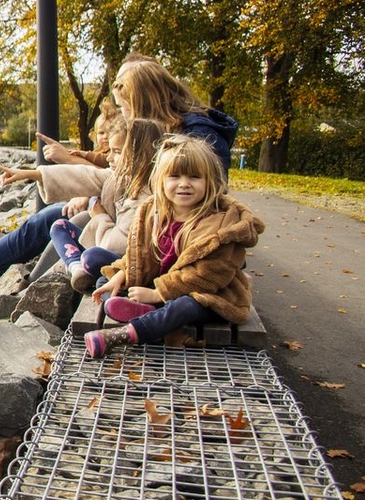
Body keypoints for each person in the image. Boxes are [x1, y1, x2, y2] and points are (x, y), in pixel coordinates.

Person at [84, 134, 264, 359]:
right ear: (160, 180)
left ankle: (126, 333)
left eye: (194, 177)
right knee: (105, 283)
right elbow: (139, 255)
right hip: (163, 285)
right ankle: (150, 313)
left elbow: (207, 276)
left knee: (186, 306)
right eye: (175, 176)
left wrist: (157, 293)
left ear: (210, 180)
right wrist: (122, 274)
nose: (184, 183)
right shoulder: (154, 212)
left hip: (208, 294)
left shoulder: (221, 223)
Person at [49, 118, 167, 293]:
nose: (108, 157)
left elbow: (115, 246)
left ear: (140, 154)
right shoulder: (123, 179)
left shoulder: (146, 197)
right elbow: (85, 176)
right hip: (106, 243)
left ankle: (81, 267)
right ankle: (77, 268)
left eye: (116, 151)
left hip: (126, 260)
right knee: (59, 226)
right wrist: (28, 174)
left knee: (92, 258)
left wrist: (100, 216)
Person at [110, 55, 237, 174]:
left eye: (121, 106)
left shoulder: (199, 133)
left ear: (141, 104)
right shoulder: (161, 129)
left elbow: (206, 183)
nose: (122, 113)